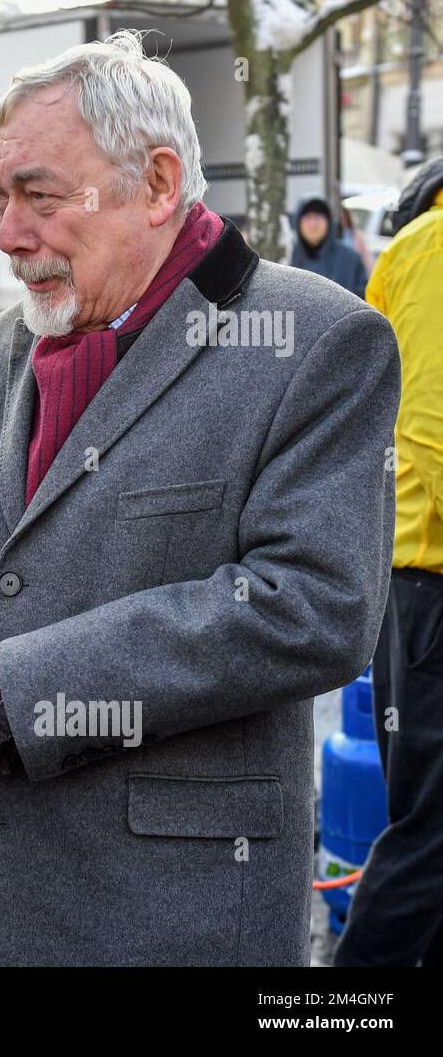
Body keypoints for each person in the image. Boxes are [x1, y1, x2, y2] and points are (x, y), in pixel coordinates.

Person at [0, 30, 400, 966]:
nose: (8, 234)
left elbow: (315, 604)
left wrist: (30, 688)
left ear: (155, 184)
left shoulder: (317, 342)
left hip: (163, 920)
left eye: (40, 195)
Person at [335, 159, 443, 967]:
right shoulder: (438, 248)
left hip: (418, 573)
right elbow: (436, 430)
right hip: (430, 575)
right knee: (436, 833)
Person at [289, 194, 368, 298]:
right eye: (308, 217)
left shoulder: (350, 260)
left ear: (329, 221)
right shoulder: (288, 260)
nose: (313, 224)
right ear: (298, 222)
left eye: (318, 217)